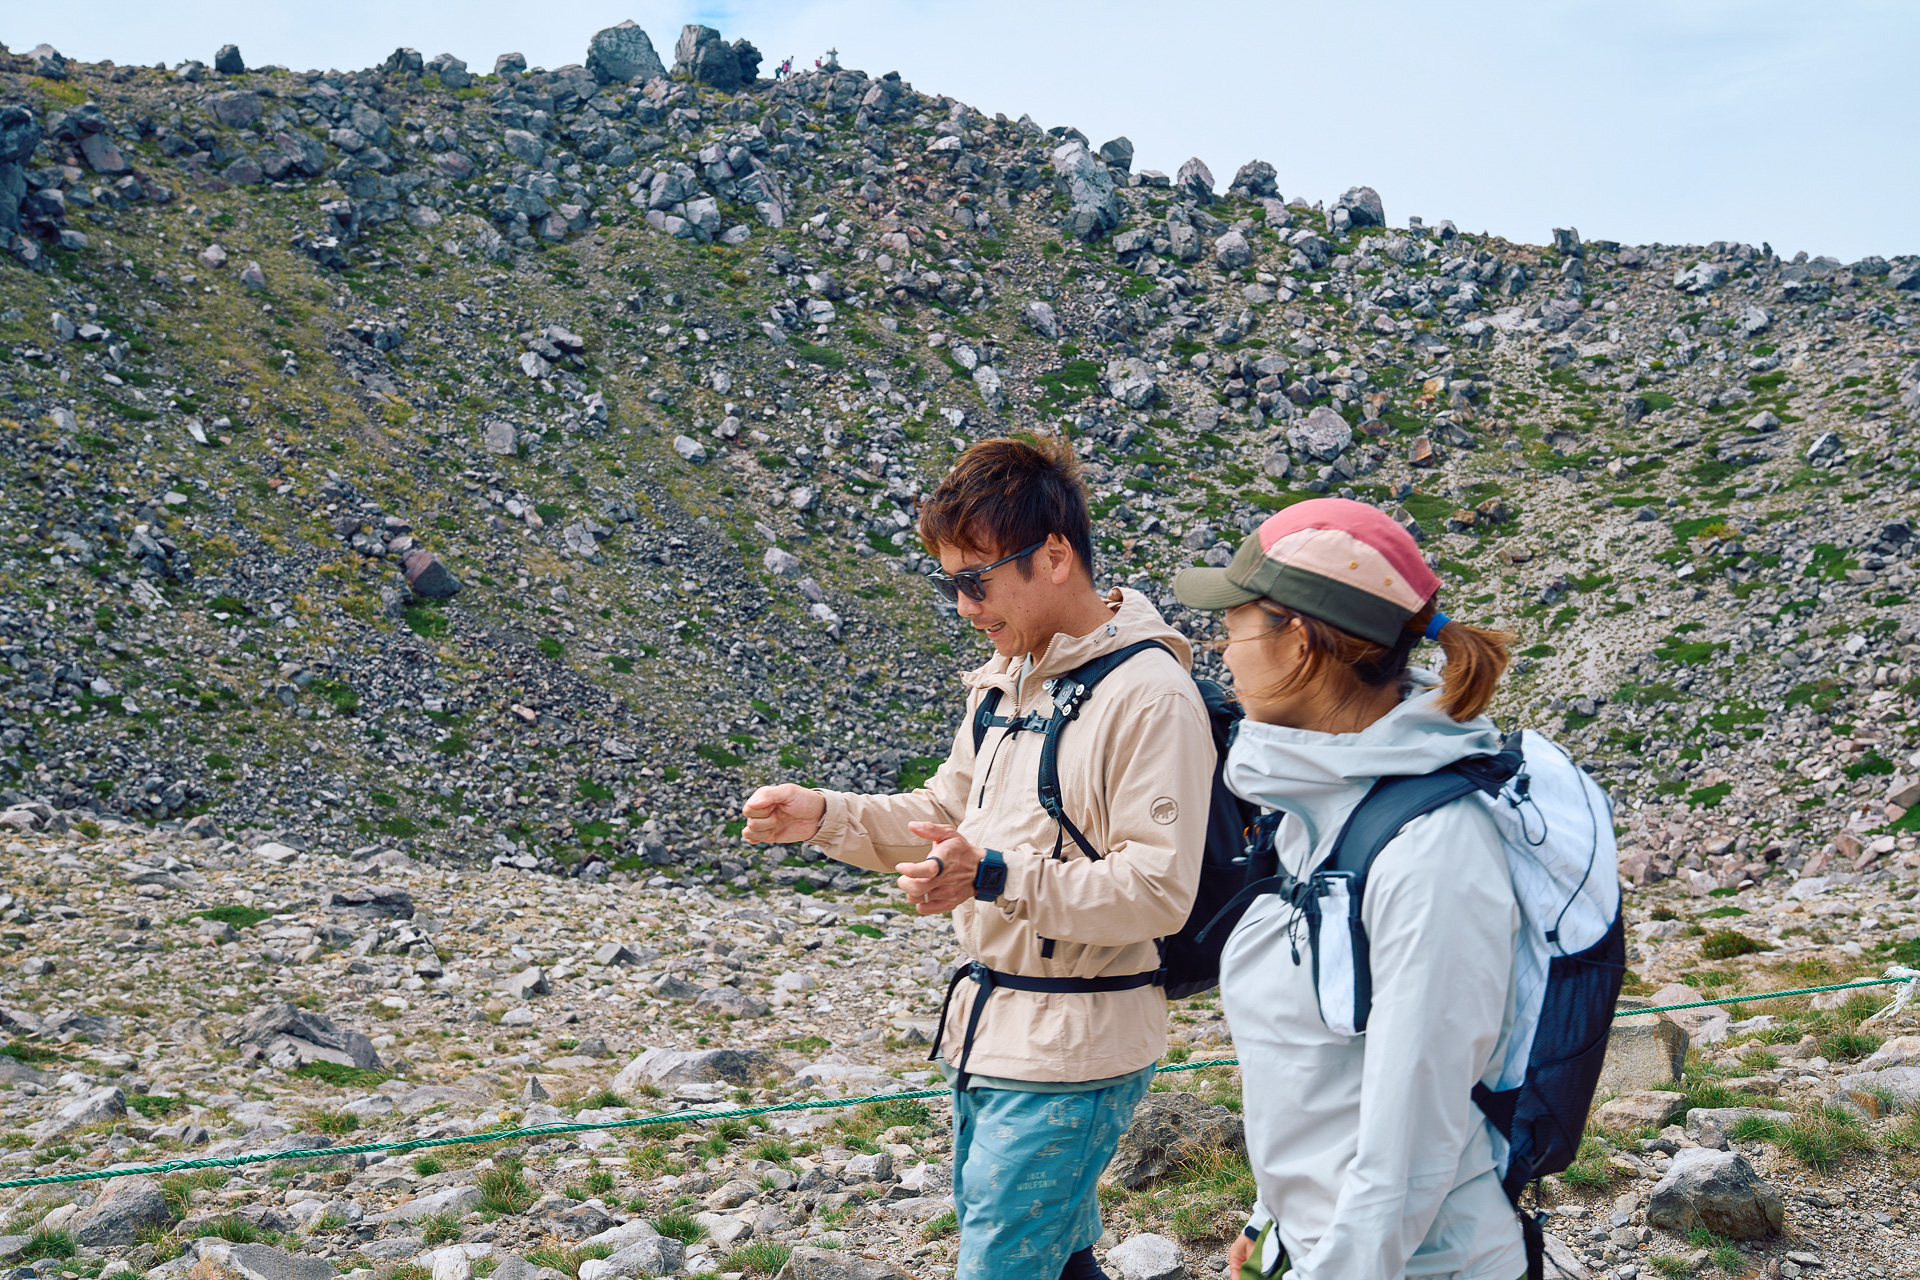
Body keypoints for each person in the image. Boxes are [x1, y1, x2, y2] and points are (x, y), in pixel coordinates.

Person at [743, 435, 1215, 1280]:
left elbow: (1157, 892)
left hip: (1075, 1048)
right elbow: (944, 814)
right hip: (991, 1036)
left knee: (1002, 1265)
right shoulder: (1009, 681)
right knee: (1056, 1258)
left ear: (1056, 557)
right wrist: (823, 816)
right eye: (952, 583)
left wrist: (992, 875)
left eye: (977, 581)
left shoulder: (1150, 697)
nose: (965, 606)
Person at [1170, 498, 1525, 1280]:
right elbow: (1320, 1077)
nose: (1220, 653)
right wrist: (1273, 1229)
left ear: (1297, 641)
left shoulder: (1433, 848)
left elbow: (1412, 1147)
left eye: (1233, 625)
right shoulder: (1318, 809)